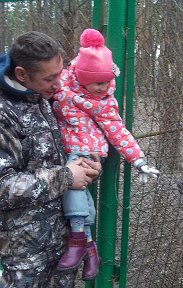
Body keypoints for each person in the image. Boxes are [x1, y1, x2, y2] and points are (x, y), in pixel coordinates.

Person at [52, 28, 159, 280]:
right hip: (64, 148)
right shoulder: (62, 87)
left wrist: (138, 160)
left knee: (72, 186)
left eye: (107, 81)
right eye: (98, 82)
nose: (104, 87)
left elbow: (118, 131)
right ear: (81, 76)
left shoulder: (105, 102)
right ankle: (90, 249)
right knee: (78, 191)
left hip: (86, 150)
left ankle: (78, 239)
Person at [0, 31, 102, 288]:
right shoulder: (4, 113)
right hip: (24, 254)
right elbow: (4, 185)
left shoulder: (43, 97)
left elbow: (60, 151)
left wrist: (87, 163)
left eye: (60, 73)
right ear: (22, 74)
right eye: (50, 78)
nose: (59, 84)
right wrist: (67, 176)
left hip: (64, 243)